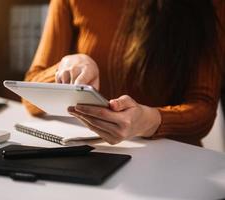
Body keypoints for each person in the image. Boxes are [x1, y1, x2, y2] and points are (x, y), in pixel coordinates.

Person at [23, 0, 224, 146]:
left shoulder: (210, 4)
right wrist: (65, 68)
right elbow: (30, 96)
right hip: (91, 154)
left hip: (170, 162)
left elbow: (203, 111)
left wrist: (149, 121)